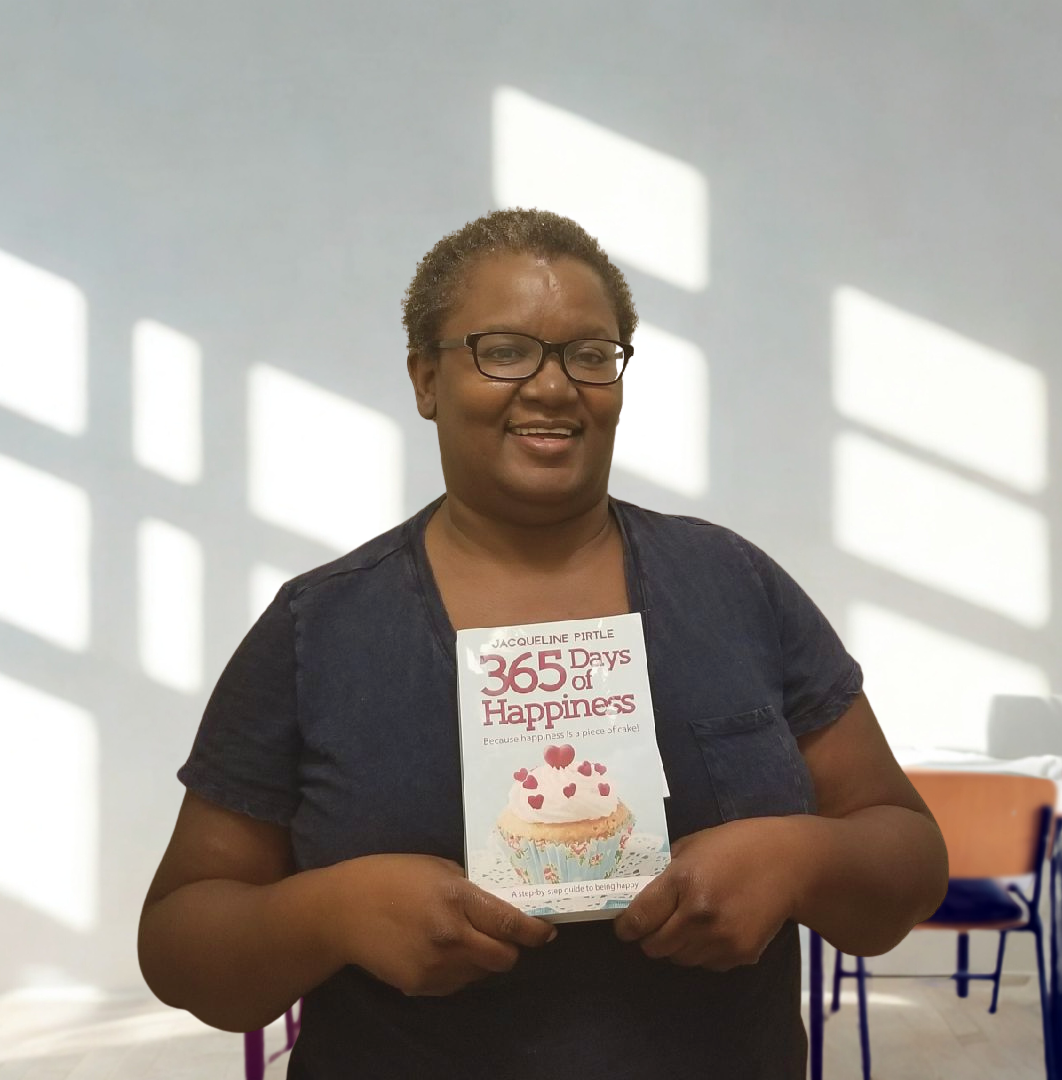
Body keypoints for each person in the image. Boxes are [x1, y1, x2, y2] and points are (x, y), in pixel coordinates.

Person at [138, 208, 949, 1079]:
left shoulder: (732, 586)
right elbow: (183, 946)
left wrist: (800, 857)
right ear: (424, 378)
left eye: (591, 354)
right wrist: (332, 911)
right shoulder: (320, 629)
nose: (555, 386)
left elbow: (908, 856)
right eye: (504, 349)